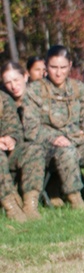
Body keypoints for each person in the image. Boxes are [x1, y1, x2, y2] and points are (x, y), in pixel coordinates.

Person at [22, 45, 84, 210]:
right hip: (47, 147)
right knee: (67, 151)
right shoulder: (34, 90)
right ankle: (75, 199)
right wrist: (53, 138)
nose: (58, 72)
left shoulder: (79, 89)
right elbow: (31, 127)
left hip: (76, 142)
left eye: (63, 67)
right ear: (46, 66)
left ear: (70, 66)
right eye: (53, 67)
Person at [0, 62, 44, 220]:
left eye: (15, 81)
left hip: (6, 153)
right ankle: (11, 206)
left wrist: (11, 138)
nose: (12, 86)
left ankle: (30, 204)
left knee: (33, 149)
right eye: (8, 82)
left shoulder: (3, 99)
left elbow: (14, 126)